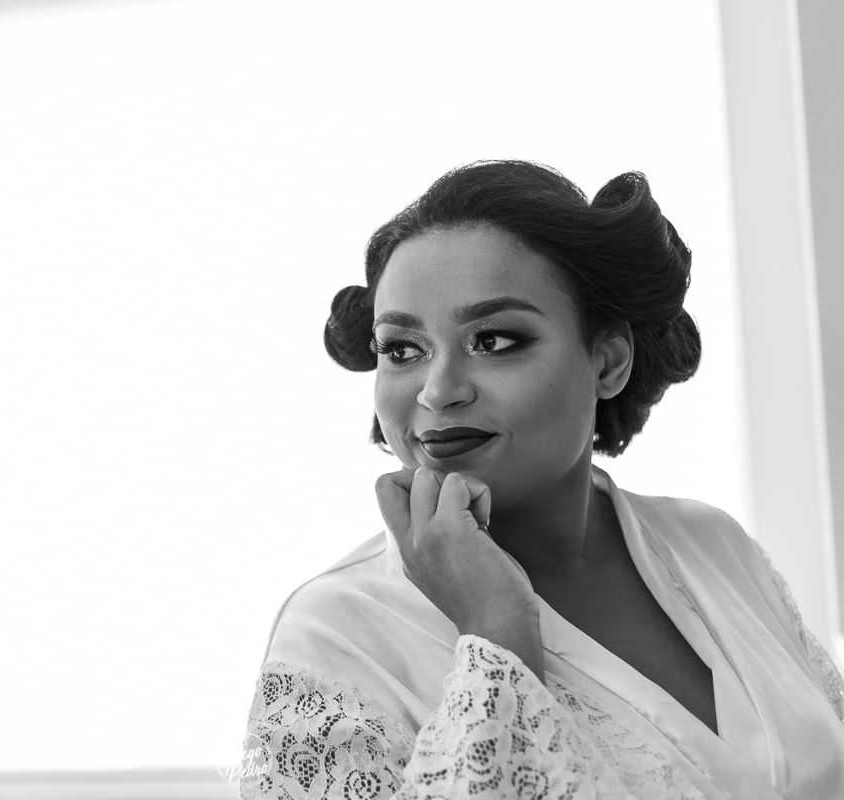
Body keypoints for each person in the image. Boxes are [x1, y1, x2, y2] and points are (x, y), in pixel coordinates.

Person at [236, 160, 844, 799]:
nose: (437, 392)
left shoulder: (714, 544)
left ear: (607, 361)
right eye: (402, 350)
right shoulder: (335, 637)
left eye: (494, 340)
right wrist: (496, 633)